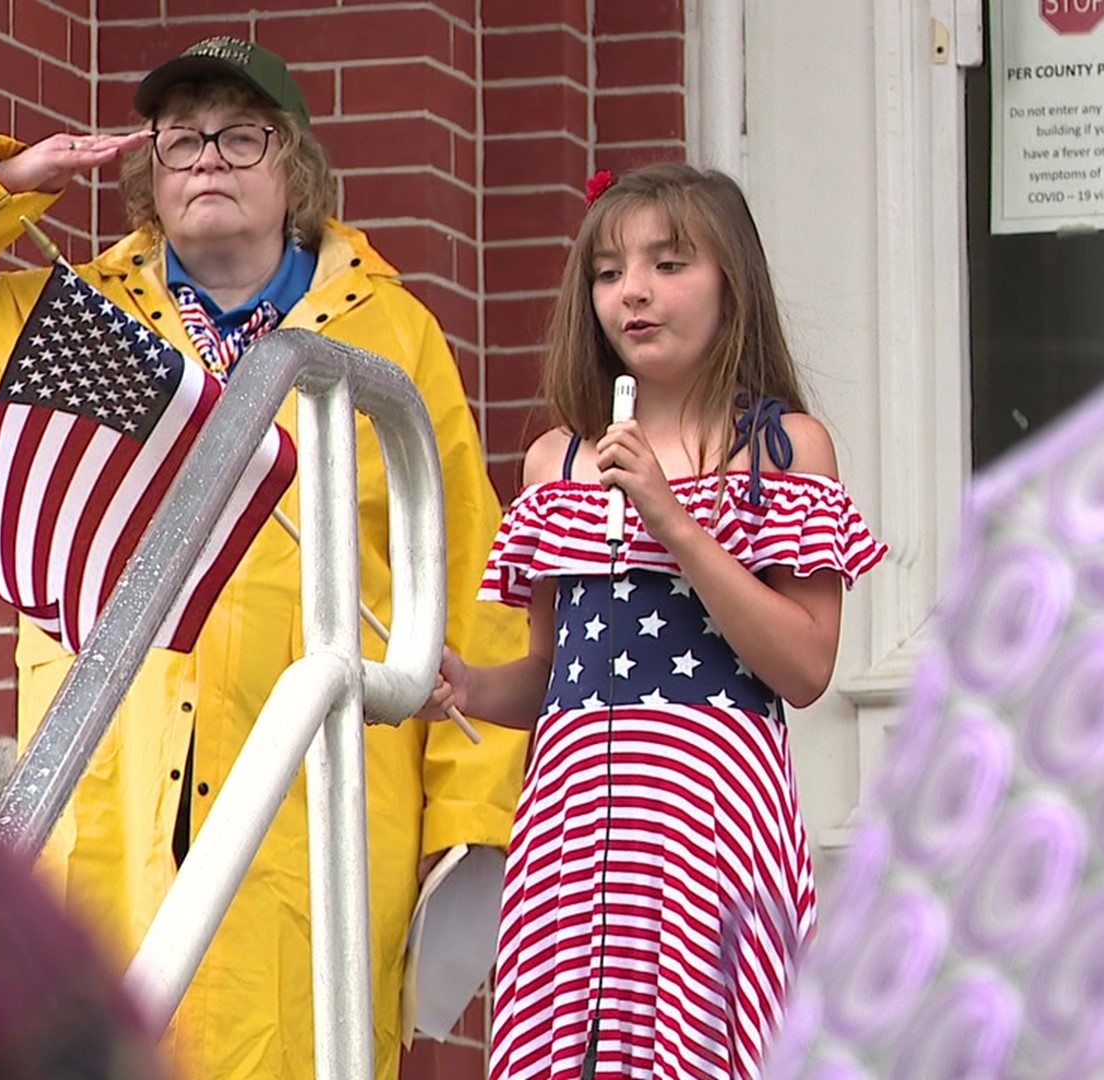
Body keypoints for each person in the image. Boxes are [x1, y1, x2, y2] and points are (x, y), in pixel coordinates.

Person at [0, 35, 530, 1080]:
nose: (207, 159)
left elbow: (466, 579)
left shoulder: (396, 333)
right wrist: (8, 183)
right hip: (114, 788)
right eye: (181, 138)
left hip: (311, 805)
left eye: (240, 137)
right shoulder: (83, 326)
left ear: (295, 169)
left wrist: (466, 837)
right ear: (147, 172)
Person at [420, 164, 887, 1079]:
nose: (631, 291)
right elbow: (550, 671)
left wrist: (674, 522)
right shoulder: (558, 457)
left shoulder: (783, 447)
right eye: (606, 272)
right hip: (573, 828)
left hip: (707, 820)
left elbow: (804, 665)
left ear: (732, 284)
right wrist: (469, 686)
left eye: (669, 263)